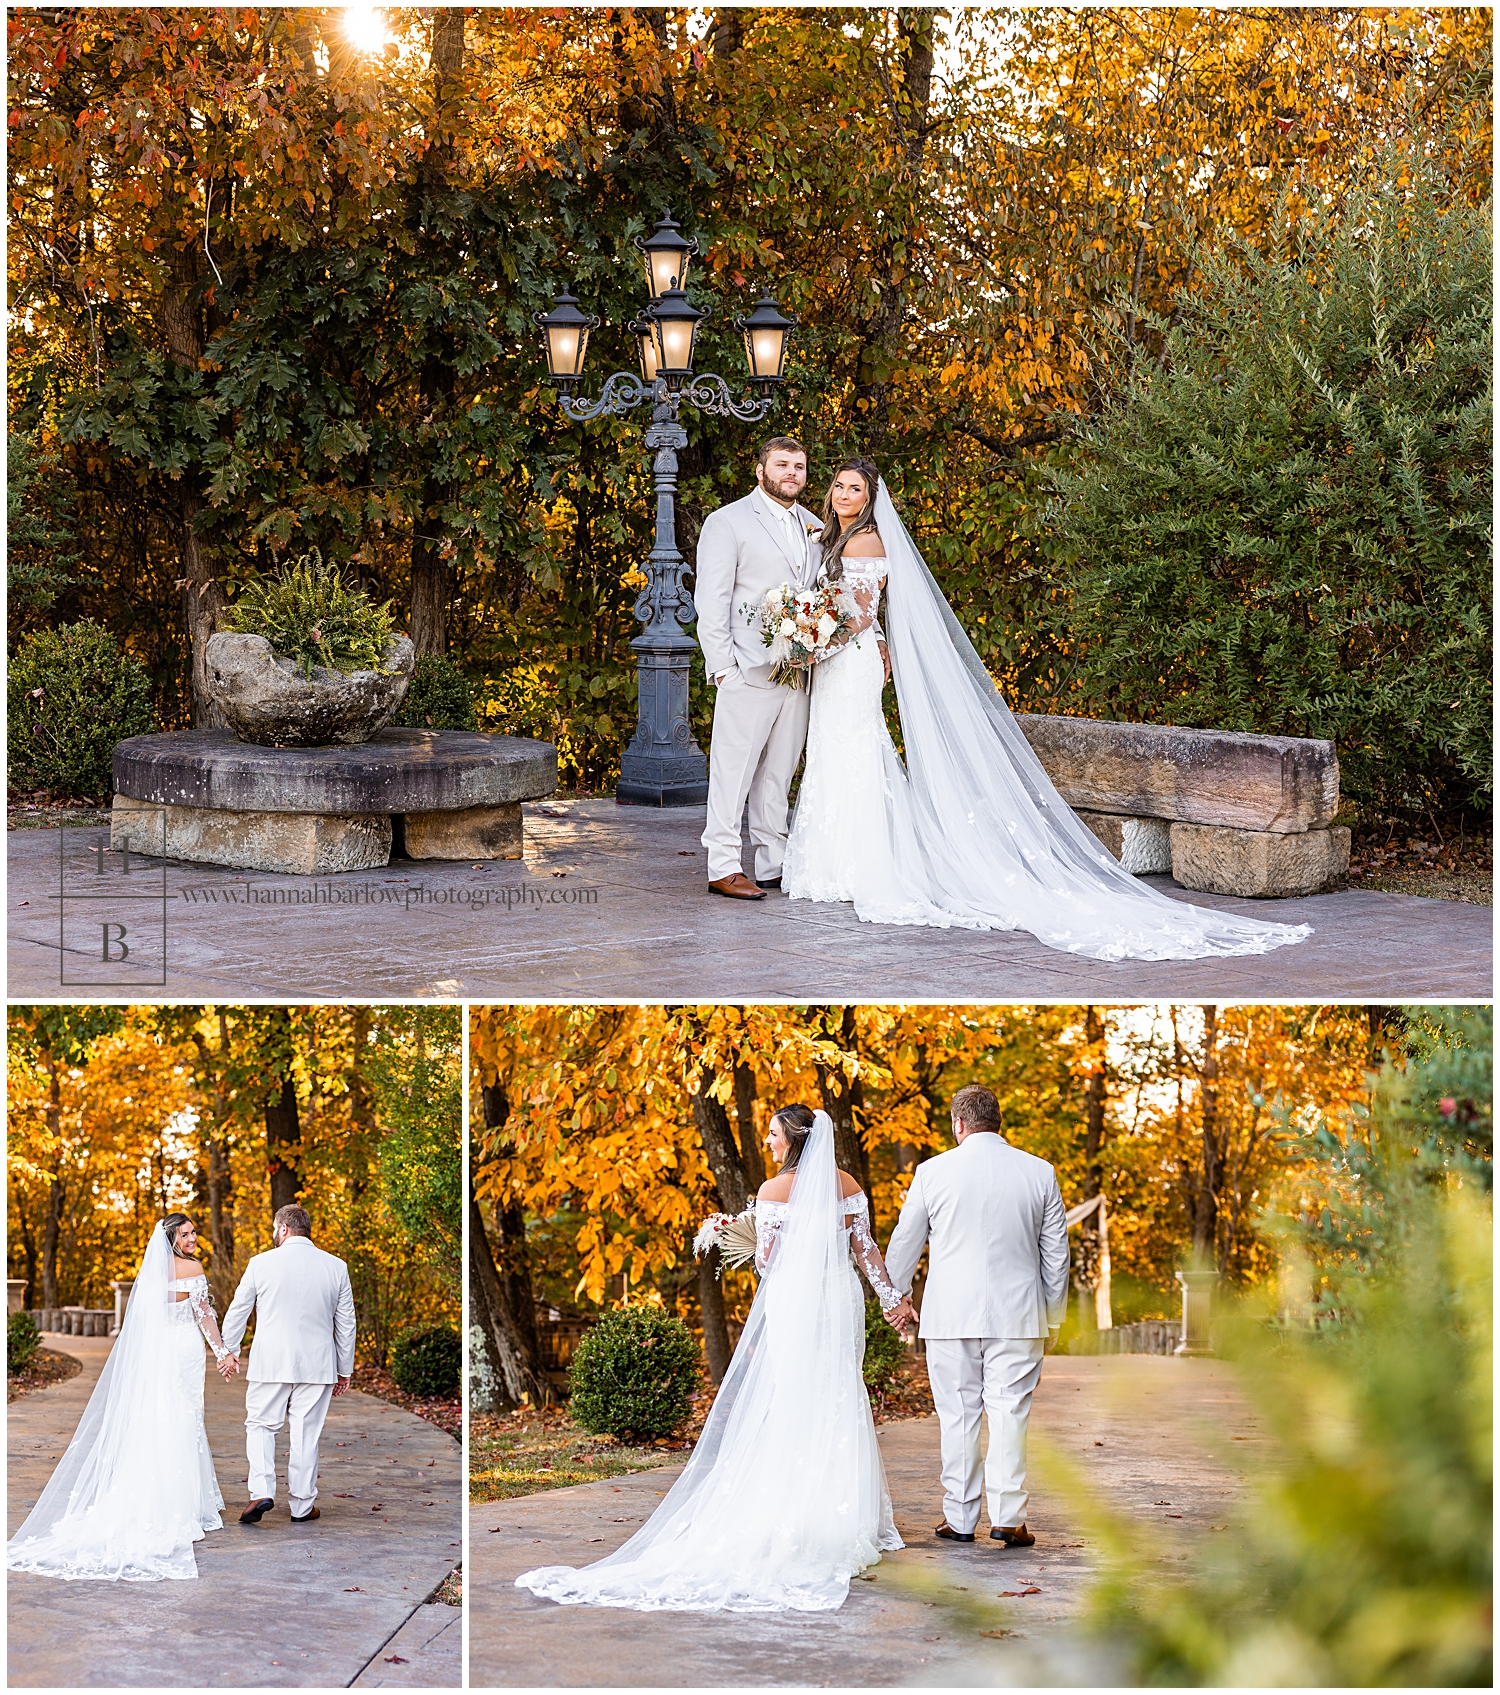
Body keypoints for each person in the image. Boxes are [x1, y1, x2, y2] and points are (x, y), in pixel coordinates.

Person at [781, 457, 1313, 962]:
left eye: (856, 488)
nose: (844, 494)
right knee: (835, 751)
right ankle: (836, 862)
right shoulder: (830, 535)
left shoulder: (867, 539)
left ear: (872, 499)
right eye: (839, 486)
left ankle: (860, 867)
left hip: (846, 656)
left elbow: (865, 610)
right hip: (837, 657)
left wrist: (815, 640)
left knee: (854, 750)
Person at [515, 1107, 908, 1612]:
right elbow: (867, 1252)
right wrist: (892, 1299)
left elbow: (769, 1262)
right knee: (838, 1394)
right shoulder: (848, 1184)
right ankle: (844, 1517)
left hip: (794, 1303)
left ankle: (793, 1510)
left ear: (793, 1142)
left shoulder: (771, 1192)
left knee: (793, 1397)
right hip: (839, 1299)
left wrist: (745, 1239)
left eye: (772, 1134)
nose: (768, 1142)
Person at [883, 1084, 1070, 1546]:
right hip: (1019, 1314)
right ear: (998, 1123)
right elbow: (1056, 1256)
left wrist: (898, 1296)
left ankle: (960, 1518)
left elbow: (905, 1242)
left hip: (950, 1317)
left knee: (958, 1415)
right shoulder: (1040, 1173)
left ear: (958, 1124)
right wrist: (1054, 1316)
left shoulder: (931, 1172)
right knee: (1010, 1414)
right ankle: (1008, 1515)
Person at [6, 1214, 231, 1582]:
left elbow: (144, 1320)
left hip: (161, 1352)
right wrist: (221, 1352)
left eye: (194, 1232)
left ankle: (162, 1494)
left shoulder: (153, 1272)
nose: (193, 1238)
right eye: (185, 1233)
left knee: (164, 1416)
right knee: (184, 1417)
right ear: (172, 1238)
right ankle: (181, 1504)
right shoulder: (192, 1267)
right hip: (185, 1348)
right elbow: (203, 1313)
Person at [693, 436, 823, 901]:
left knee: (779, 771)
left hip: (798, 669)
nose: (792, 472)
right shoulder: (726, 522)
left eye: (800, 466)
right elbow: (711, 600)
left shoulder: (813, 525)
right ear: (761, 471)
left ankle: (772, 862)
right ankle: (723, 865)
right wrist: (723, 667)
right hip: (747, 669)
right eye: (783, 464)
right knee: (734, 770)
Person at [220, 1203, 356, 1526]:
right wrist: (344, 1368)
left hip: (270, 1362)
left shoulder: (260, 1263)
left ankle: (261, 1491)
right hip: (318, 1364)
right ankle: (302, 1505)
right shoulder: (336, 1267)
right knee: (306, 1434)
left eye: (273, 1229)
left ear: (282, 1228)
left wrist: (230, 1350)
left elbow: (238, 1310)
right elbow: (346, 1323)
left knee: (261, 1425)